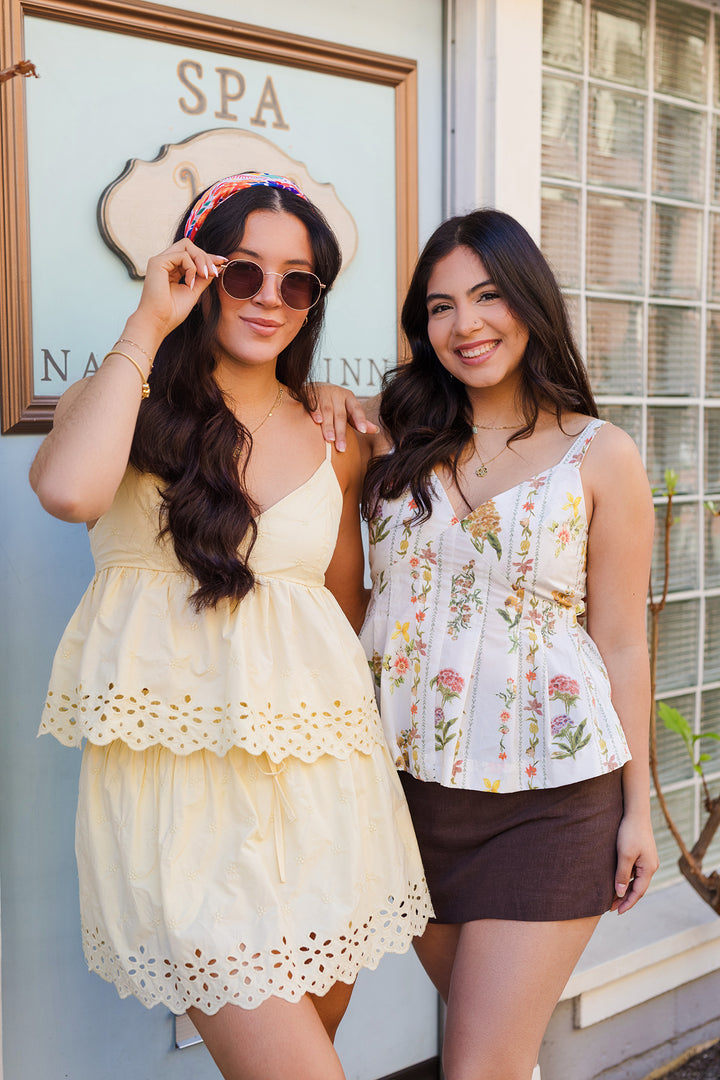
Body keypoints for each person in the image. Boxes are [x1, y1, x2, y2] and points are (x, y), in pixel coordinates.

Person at [30, 172, 431, 1080]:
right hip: (186, 808)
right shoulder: (126, 403)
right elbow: (65, 490)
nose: (270, 299)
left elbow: (343, 606)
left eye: (298, 282)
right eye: (243, 272)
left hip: (327, 795)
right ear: (197, 268)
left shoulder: (338, 433)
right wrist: (147, 325)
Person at [312, 208, 659, 1080]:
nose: (464, 325)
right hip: (407, 799)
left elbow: (620, 641)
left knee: (480, 1068)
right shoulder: (391, 434)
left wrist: (637, 809)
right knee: (500, 1058)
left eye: (487, 296)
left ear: (529, 303)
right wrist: (320, 395)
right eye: (439, 307)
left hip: (551, 798)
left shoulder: (599, 454)